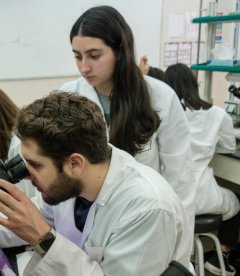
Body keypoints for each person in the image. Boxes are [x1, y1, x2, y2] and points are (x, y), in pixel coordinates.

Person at [0, 92, 193, 275]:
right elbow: (28, 219)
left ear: (75, 163)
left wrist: (43, 239)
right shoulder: (71, 186)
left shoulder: (147, 207)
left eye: (35, 165)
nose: (26, 176)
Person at [59, 5, 196, 239]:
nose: (84, 67)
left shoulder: (160, 96)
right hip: (84, 217)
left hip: (143, 216)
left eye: (94, 55)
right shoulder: (68, 96)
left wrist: (178, 240)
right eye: (77, 56)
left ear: (120, 51)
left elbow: (180, 176)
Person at [164, 63, 240, 276]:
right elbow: (228, 146)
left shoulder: (162, 115)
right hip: (202, 196)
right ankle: (221, 257)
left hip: (167, 198)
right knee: (239, 201)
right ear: (194, 84)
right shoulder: (218, 114)